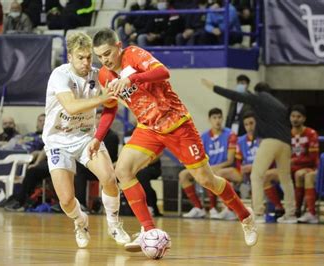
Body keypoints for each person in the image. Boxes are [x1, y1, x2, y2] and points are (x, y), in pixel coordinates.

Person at [92, 28, 257, 252]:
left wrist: (132, 77)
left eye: (108, 53)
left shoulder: (134, 54)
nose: (105, 60)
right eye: (100, 56)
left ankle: (245, 216)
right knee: (122, 170)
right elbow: (110, 109)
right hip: (148, 128)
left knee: (206, 179)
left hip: (176, 123)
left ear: (119, 46)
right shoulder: (104, 75)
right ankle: (148, 231)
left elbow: (163, 72)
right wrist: (97, 137)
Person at [42, 32, 130, 248]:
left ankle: (113, 224)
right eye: (80, 57)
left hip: (84, 137)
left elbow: (113, 103)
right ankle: (80, 222)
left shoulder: (98, 75)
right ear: (70, 56)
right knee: (66, 199)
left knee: (109, 178)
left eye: (89, 57)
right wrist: (102, 98)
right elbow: (71, 106)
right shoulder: (59, 75)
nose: (86, 62)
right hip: (58, 142)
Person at [201, 79, 296, 224]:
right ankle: (290, 215)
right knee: (286, 179)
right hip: (286, 143)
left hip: (270, 141)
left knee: (256, 176)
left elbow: (234, 95)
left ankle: (258, 213)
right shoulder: (279, 105)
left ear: (257, 91)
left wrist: (213, 87)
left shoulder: (259, 98)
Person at [179, 107, 239, 221]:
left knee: (212, 173)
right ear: (209, 120)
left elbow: (230, 160)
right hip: (209, 168)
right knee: (183, 174)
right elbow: (199, 157)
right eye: (214, 118)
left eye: (219, 117)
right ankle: (198, 208)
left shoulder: (230, 135)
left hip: (225, 168)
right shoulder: (204, 137)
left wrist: (210, 168)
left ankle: (214, 208)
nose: (217, 120)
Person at [289, 105, 320, 223]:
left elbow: (312, 159)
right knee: (268, 175)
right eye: (292, 116)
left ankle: (300, 210)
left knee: (299, 174)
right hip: (290, 169)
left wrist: (294, 161)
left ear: (304, 119)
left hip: (309, 168)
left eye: (298, 116)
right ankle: (280, 209)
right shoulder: (287, 134)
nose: (295, 119)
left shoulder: (311, 133)